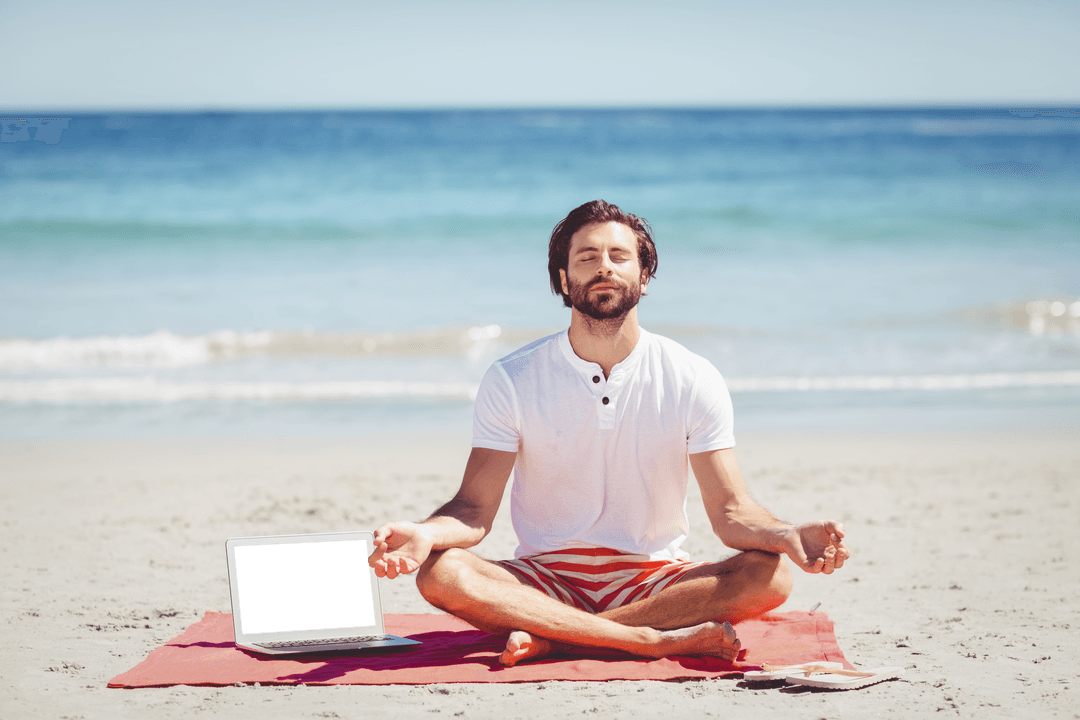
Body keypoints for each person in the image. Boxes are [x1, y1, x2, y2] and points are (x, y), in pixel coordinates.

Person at [369, 199, 849, 667]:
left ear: (644, 276)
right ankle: (641, 639)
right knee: (441, 572)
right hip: (544, 579)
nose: (605, 267)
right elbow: (473, 508)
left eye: (620, 256)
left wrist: (785, 534)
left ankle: (559, 640)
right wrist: (426, 533)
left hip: (653, 580)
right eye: (587, 257)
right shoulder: (513, 377)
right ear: (564, 279)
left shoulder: (692, 375)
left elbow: (730, 511)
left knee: (769, 575)